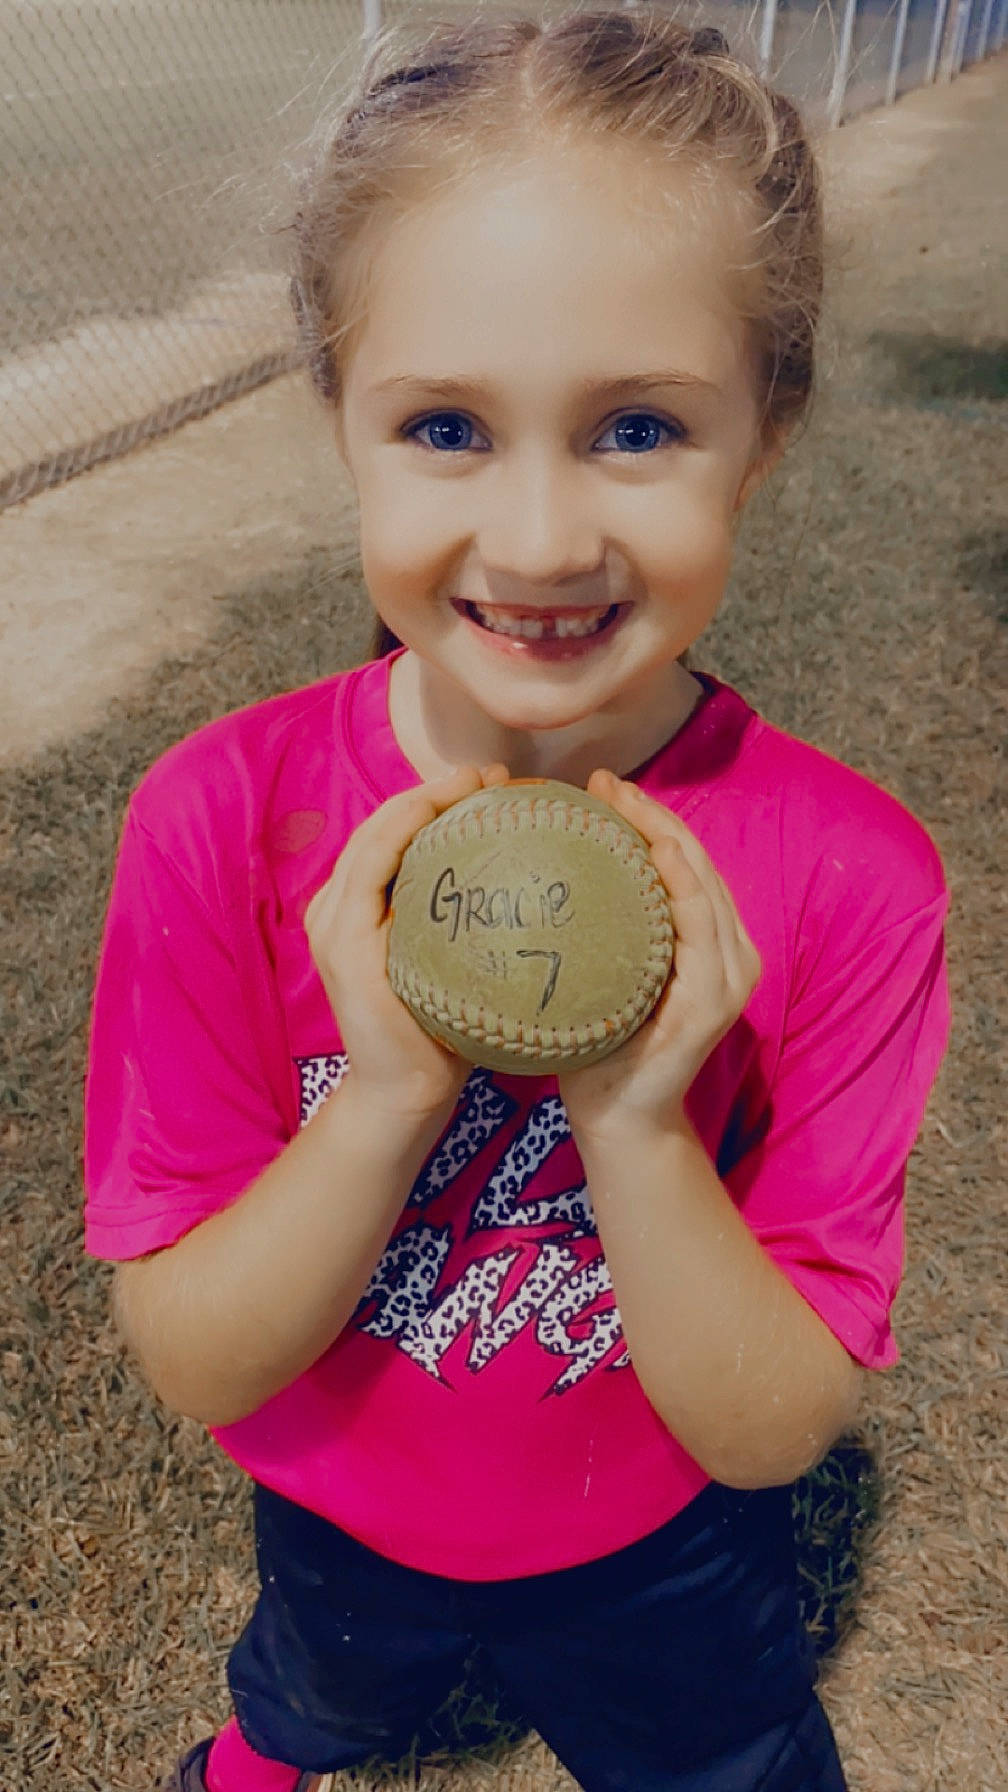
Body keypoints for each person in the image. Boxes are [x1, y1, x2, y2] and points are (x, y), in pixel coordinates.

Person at [83, 9, 950, 1791]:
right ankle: (277, 1744)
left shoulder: (851, 879)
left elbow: (780, 1423)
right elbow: (193, 1353)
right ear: (337, 413)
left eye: (637, 423)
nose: (543, 539)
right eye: (447, 426)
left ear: (765, 429)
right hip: (342, 1498)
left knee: (717, 1756)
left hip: (657, 1538)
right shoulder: (219, 822)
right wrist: (388, 1097)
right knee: (322, 1689)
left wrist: (639, 1120)